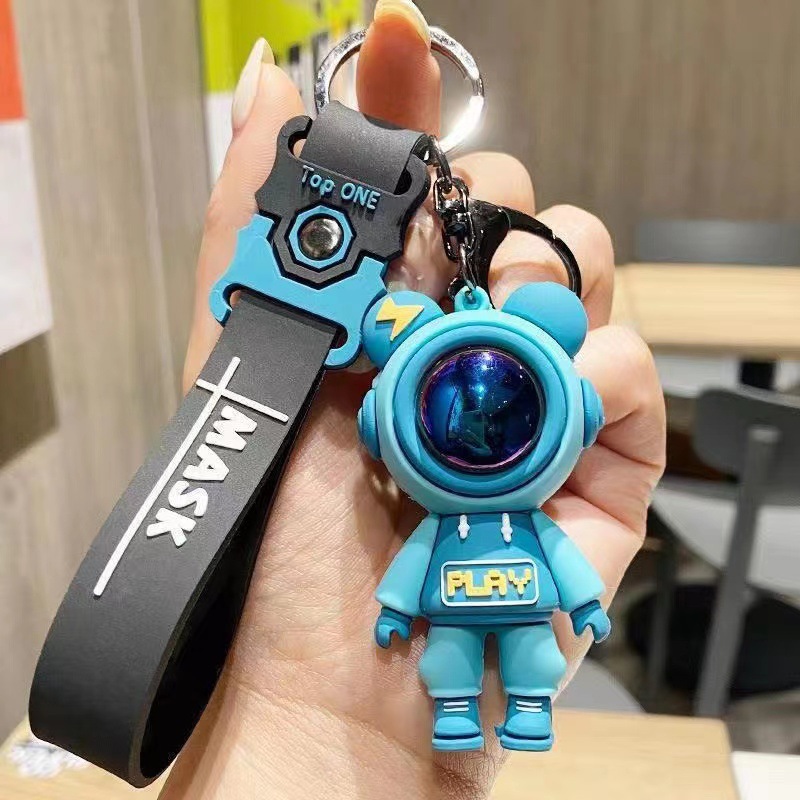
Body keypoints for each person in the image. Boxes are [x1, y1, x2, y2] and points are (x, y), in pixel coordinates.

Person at [163, 1, 665, 797]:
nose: (479, 424)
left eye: (504, 413)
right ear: (380, 425)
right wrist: (333, 681)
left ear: (575, 415)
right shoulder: (443, 497)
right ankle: (460, 711)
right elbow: (419, 571)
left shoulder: (505, 503)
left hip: (496, 598)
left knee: (527, 657)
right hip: (442, 615)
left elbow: (559, 564)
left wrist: (583, 603)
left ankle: (524, 709)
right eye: (459, 415)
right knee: (451, 663)